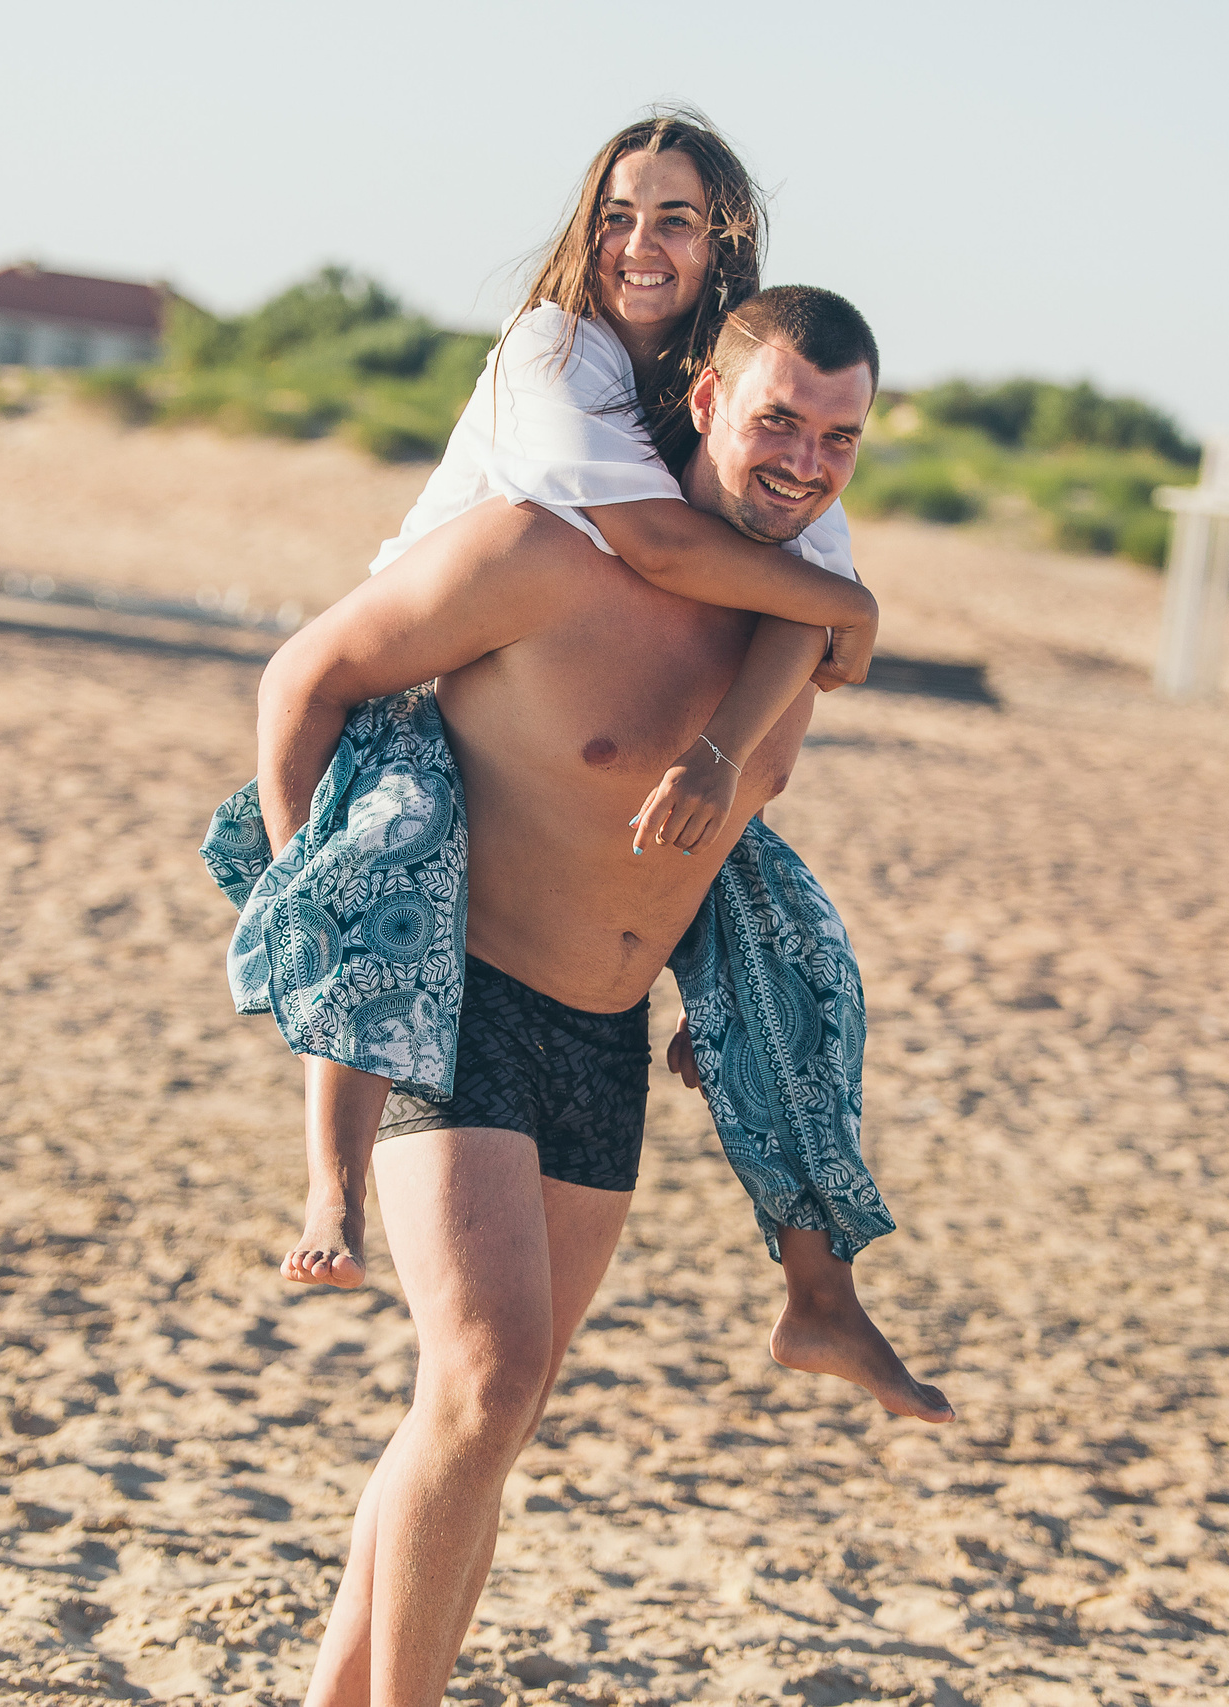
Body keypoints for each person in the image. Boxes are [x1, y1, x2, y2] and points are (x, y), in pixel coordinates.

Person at [241, 284, 952, 1707]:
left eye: (841, 439)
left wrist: (703, 988)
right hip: (461, 1002)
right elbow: (309, 671)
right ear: (704, 404)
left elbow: (721, 829)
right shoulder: (542, 552)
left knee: (474, 1419)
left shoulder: (787, 633)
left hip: (602, 1038)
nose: (807, 461)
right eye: (779, 422)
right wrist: (320, 907)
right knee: (488, 1379)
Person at [273, 109, 880, 1297]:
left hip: (559, 715)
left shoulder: (743, 384)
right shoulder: (553, 351)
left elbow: (803, 578)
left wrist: (838, 610)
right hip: (430, 674)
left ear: (725, 242)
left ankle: (822, 1291)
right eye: (614, 217)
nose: (637, 244)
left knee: (787, 935)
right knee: (383, 873)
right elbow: (657, 545)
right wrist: (848, 615)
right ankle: (327, 1191)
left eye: (674, 220)